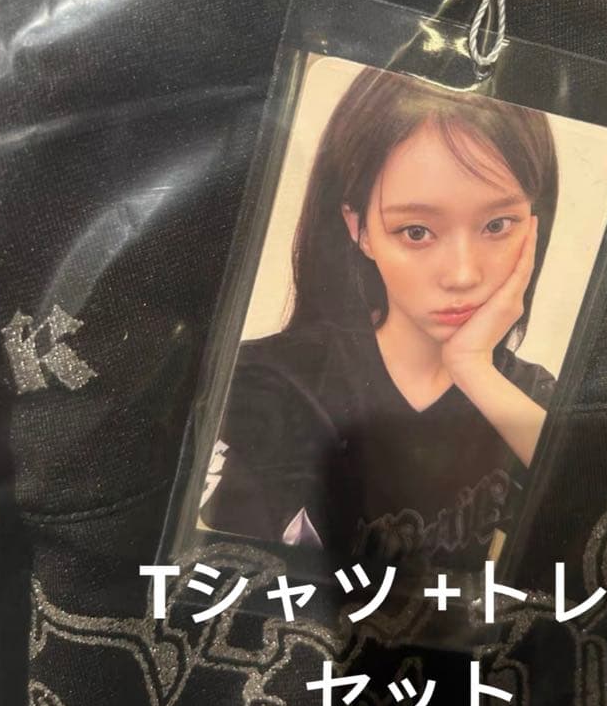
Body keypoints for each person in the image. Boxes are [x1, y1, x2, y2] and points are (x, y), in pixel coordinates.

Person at [202, 64, 560, 569]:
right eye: (416, 231)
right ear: (360, 229)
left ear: (534, 223)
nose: (463, 274)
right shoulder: (265, 383)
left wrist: (473, 368)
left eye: (498, 225)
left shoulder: (529, 398)